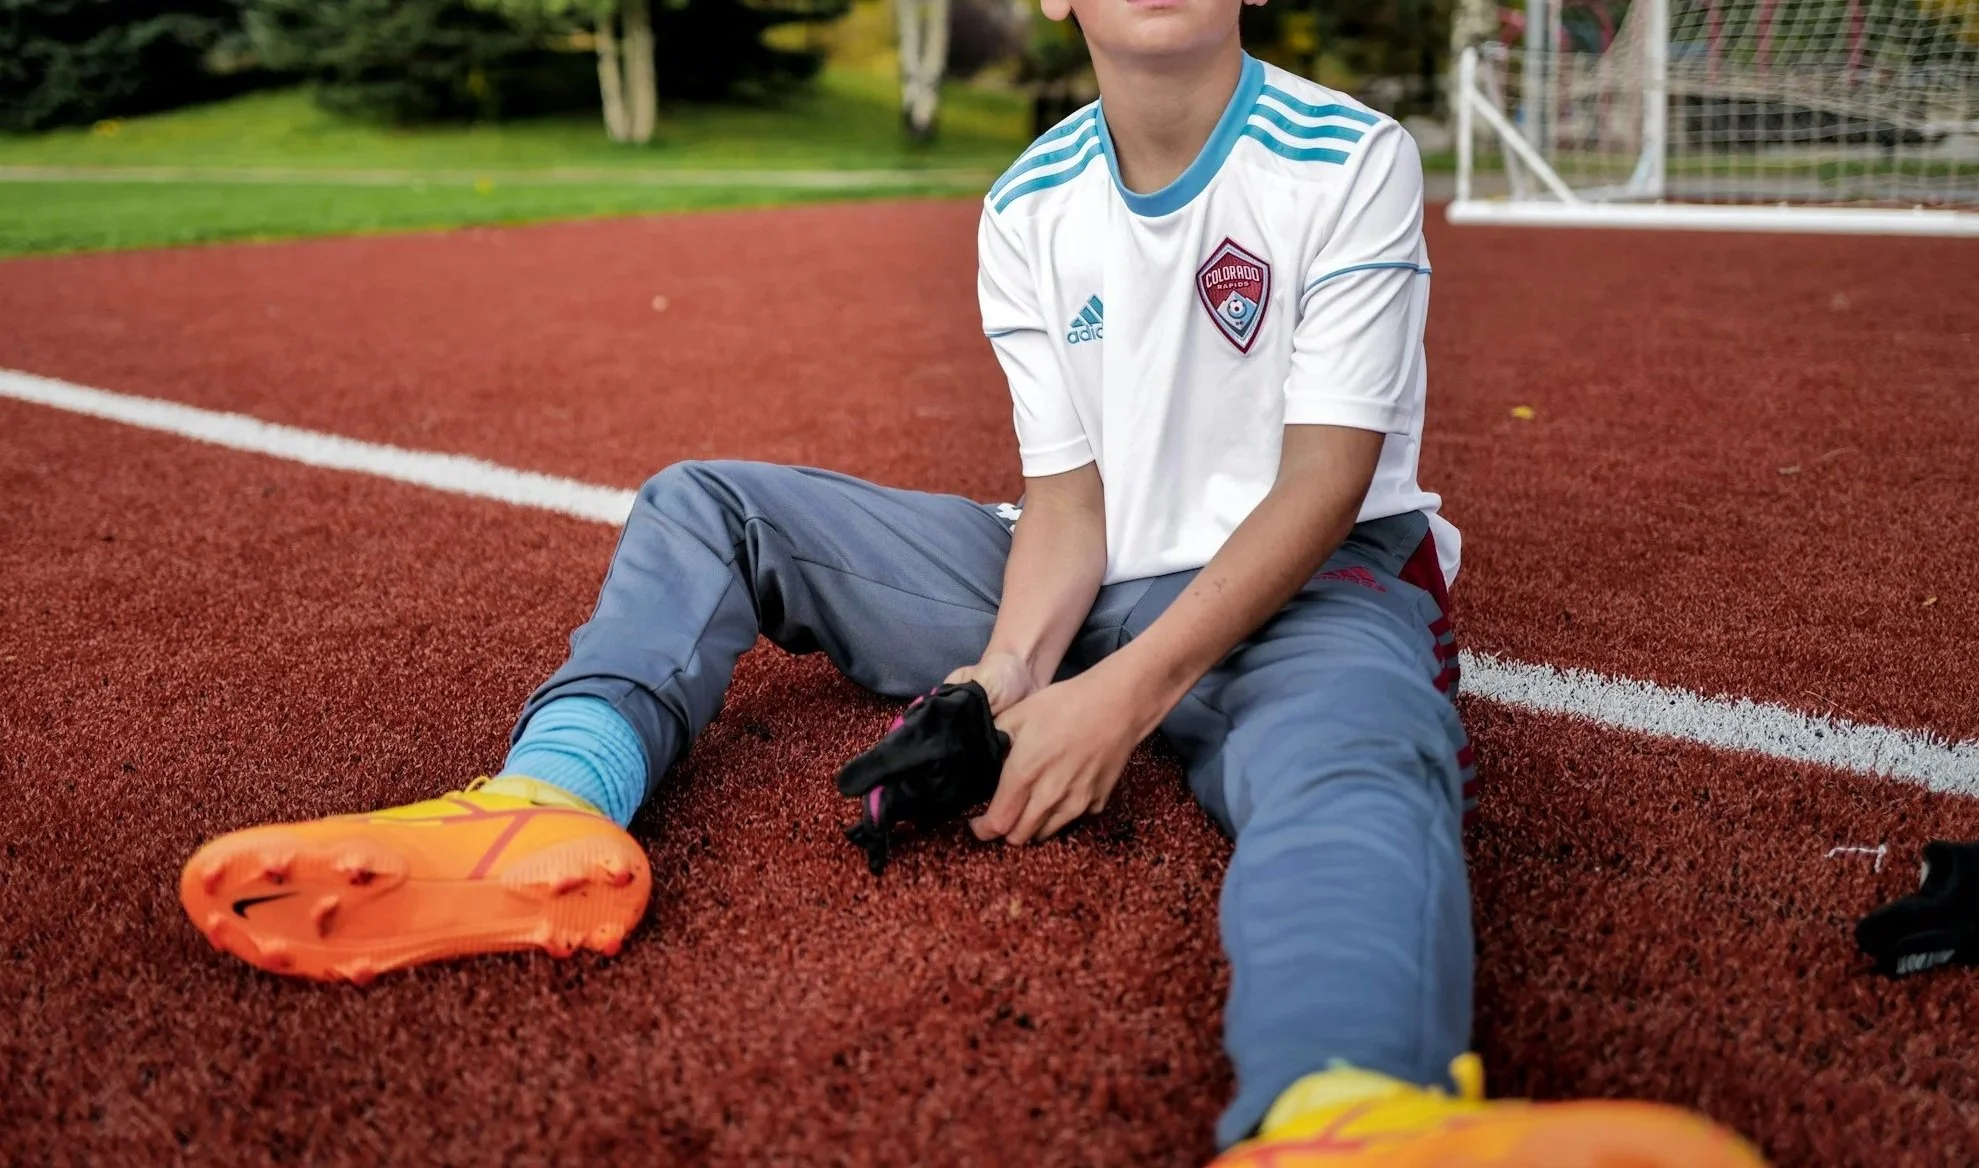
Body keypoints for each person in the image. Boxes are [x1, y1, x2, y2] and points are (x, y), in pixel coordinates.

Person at [180, 0, 1768, 1162]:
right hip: (1065, 572)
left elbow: (1321, 484)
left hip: (1304, 586)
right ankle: (550, 805)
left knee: (1355, 766)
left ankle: (1341, 1111)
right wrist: (1002, 683)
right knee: (710, 503)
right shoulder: (1027, 202)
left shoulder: (1345, 157)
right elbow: (1064, 513)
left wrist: (1107, 704)